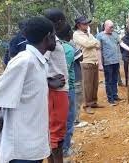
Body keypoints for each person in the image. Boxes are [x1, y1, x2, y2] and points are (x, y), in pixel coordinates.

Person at [0, 16, 56, 163]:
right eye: (54, 35)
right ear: (48, 37)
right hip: (21, 150)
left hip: (35, 144)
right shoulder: (24, 61)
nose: (56, 39)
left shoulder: (39, 61)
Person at [44, 8, 69, 163]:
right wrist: (48, 81)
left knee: (54, 130)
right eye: (64, 20)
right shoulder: (48, 41)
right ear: (58, 22)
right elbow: (38, 62)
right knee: (56, 131)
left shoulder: (53, 39)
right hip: (56, 92)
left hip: (59, 90)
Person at [96, 20, 129, 105]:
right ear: (105, 26)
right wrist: (100, 64)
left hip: (116, 61)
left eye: (113, 27)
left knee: (115, 79)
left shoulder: (115, 34)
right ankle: (110, 98)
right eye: (110, 27)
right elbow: (98, 50)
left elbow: (121, 44)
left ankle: (115, 95)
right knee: (108, 80)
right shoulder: (100, 36)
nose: (112, 28)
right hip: (107, 62)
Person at [73, 15, 104, 114]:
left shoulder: (89, 34)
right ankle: (87, 105)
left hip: (94, 61)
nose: (87, 25)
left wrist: (93, 42)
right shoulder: (76, 34)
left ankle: (93, 102)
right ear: (78, 25)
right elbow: (87, 44)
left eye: (87, 23)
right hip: (85, 61)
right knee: (87, 85)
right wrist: (93, 42)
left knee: (95, 84)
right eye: (84, 23)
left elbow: (98, 44)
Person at [57, 24, 77, 157]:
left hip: (57, 88)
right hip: (67, 88)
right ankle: (65, 149)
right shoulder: (68, 49)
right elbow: (66, 69)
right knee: (69, 118)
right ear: (68, 34)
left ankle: (62, 145)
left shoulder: (56, 47)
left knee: (60, 118)